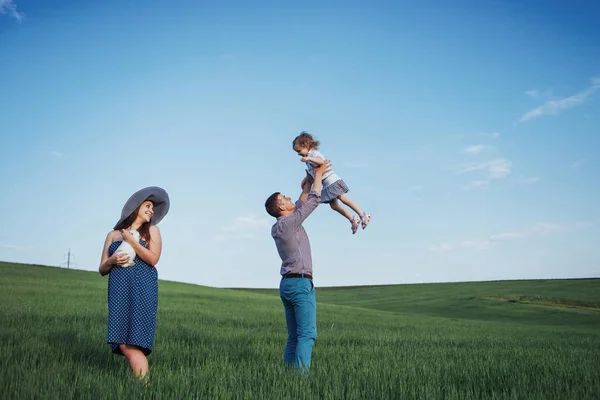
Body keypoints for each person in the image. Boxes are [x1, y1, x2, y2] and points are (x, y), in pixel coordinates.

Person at [264, 159, 331, 374]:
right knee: (307, 335)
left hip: (288, 284)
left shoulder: (281, 226)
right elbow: (310, 204)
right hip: (300, 284)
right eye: (285, 197)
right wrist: (319, 176)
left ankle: (288, 376)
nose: (289, 198)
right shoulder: (289, 223)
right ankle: (301, 380)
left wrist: (306, 186)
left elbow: (300, 205)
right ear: (281, 206)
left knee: (294, 336)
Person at [98, 186, 170, 384]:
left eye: (153, 208)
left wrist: (133, 242)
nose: (151, 211)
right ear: (135, 207)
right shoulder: (113, 235)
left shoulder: (152, 231)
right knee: (122, 342)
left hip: (142, 288)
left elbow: (153, 259)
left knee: (133, 342)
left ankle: (145, 387)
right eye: (147, 206)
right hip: (119, 290)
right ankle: (144, 386)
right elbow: (102, 269)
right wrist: (111, 260)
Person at [292, 131, 371, 234]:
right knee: (333, 206)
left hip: (332, 181)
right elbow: (314, 172)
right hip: (327, 186)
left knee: (343, 198)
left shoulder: (313, 153)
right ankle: (353, 219)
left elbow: (321, 162)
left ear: (305, 145)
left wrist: (309, 158)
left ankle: (362, 214)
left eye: (299, 151)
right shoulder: (308, 159)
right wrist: (305, 180)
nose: (298, 154)